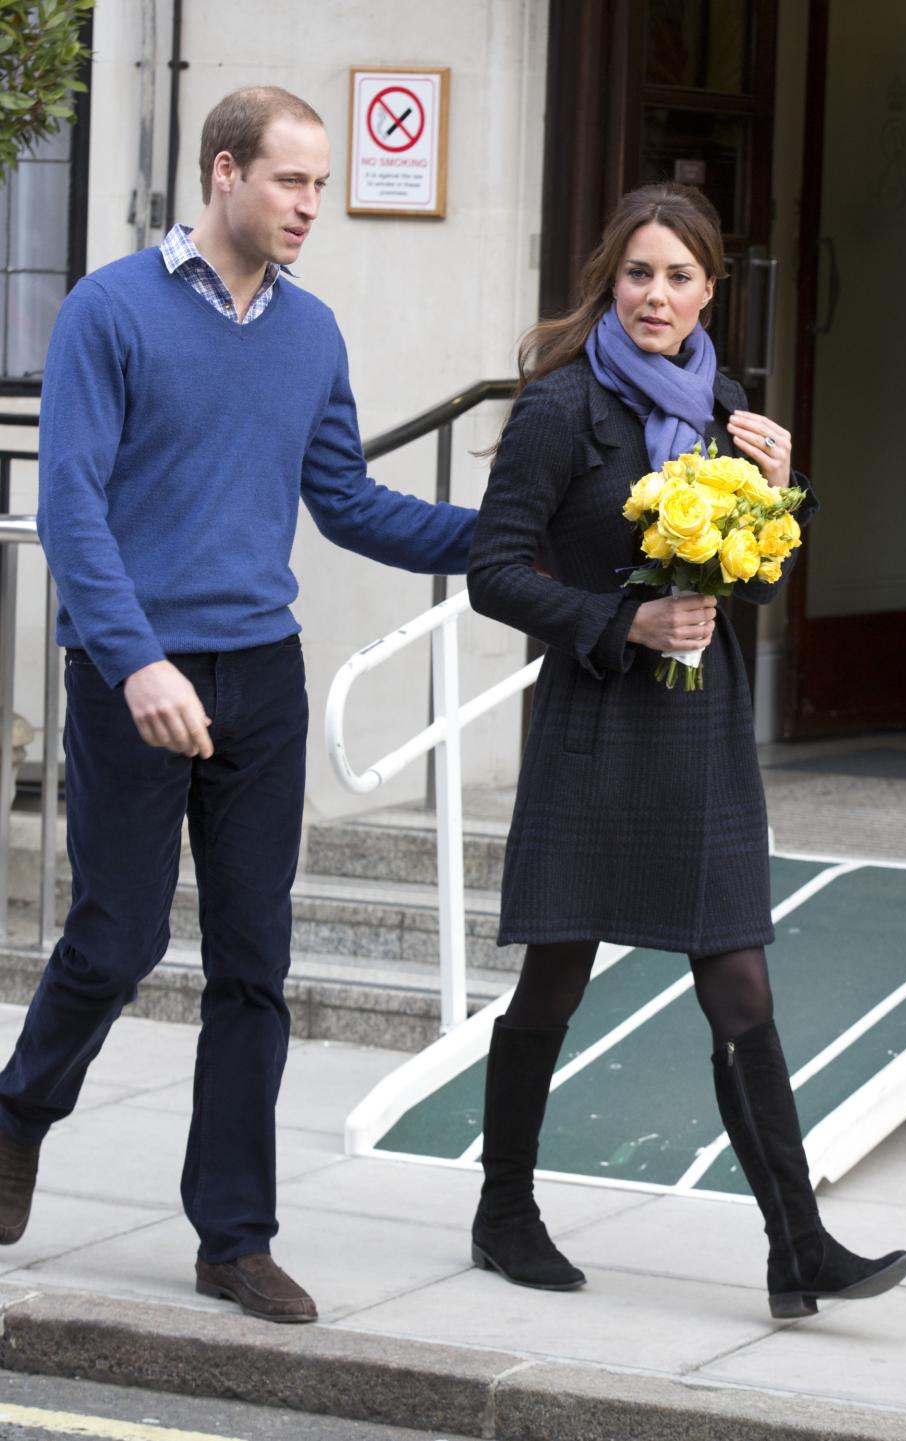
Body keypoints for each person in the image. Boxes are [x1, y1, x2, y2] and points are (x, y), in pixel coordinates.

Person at [0, 86, 475, 1324]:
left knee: (255, 964)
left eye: (320, 185)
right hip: (133, 673)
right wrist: (136, 659)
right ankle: (16, 1114)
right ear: (225, 173)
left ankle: (233, 1238)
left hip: (261, 675)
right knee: (117, 938)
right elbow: (73, 508)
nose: (313, 205)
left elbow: (352, 503)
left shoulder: (312, 333)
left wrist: (511, 541)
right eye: (292, 182)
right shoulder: (111, 310)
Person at [465, 182, 906, 1320]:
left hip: (699, 725)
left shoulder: (727, 405)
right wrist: (623, 623)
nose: (656, 295)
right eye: (637, 274)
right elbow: (495, 571)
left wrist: (778, 490)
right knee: (555, 977)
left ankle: (796, 1242)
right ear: (608, 281)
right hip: (600, 724)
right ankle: (504, 1208)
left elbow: (753, 576)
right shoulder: (560, 410)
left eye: (678, 276)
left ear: (712, 288)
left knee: (741, 979)